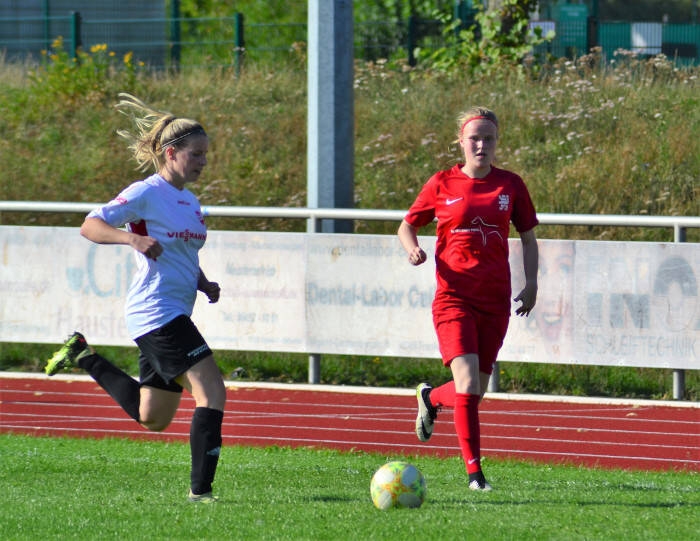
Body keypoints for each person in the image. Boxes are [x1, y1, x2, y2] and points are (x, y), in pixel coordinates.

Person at [45, 93, 226, 504]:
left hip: (173, 311)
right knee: (212, 392)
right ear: (171, 153)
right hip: (156, 312)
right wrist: (131, 239)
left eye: (206, 154)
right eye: (196, 154)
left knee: (153, 417)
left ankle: (83, 354)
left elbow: (182, 252)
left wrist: (202, 282)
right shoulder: (146, 192)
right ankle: (201, 494)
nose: (203, 161)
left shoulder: (191, 201)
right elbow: (90, 225)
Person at [398, 106, 539, 491]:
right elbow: (406, 226)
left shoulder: (510, 185)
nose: (481, 145)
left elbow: (528, 238)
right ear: (461, 141)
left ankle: (430, 398)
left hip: (495, 301)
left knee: (473, 391)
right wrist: (412, 249)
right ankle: (475, 476)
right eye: (474, 138)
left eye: (488, 138)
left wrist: (532, 283)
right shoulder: (441, 183)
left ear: (496, 142)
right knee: (466, 383)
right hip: (454, 298)